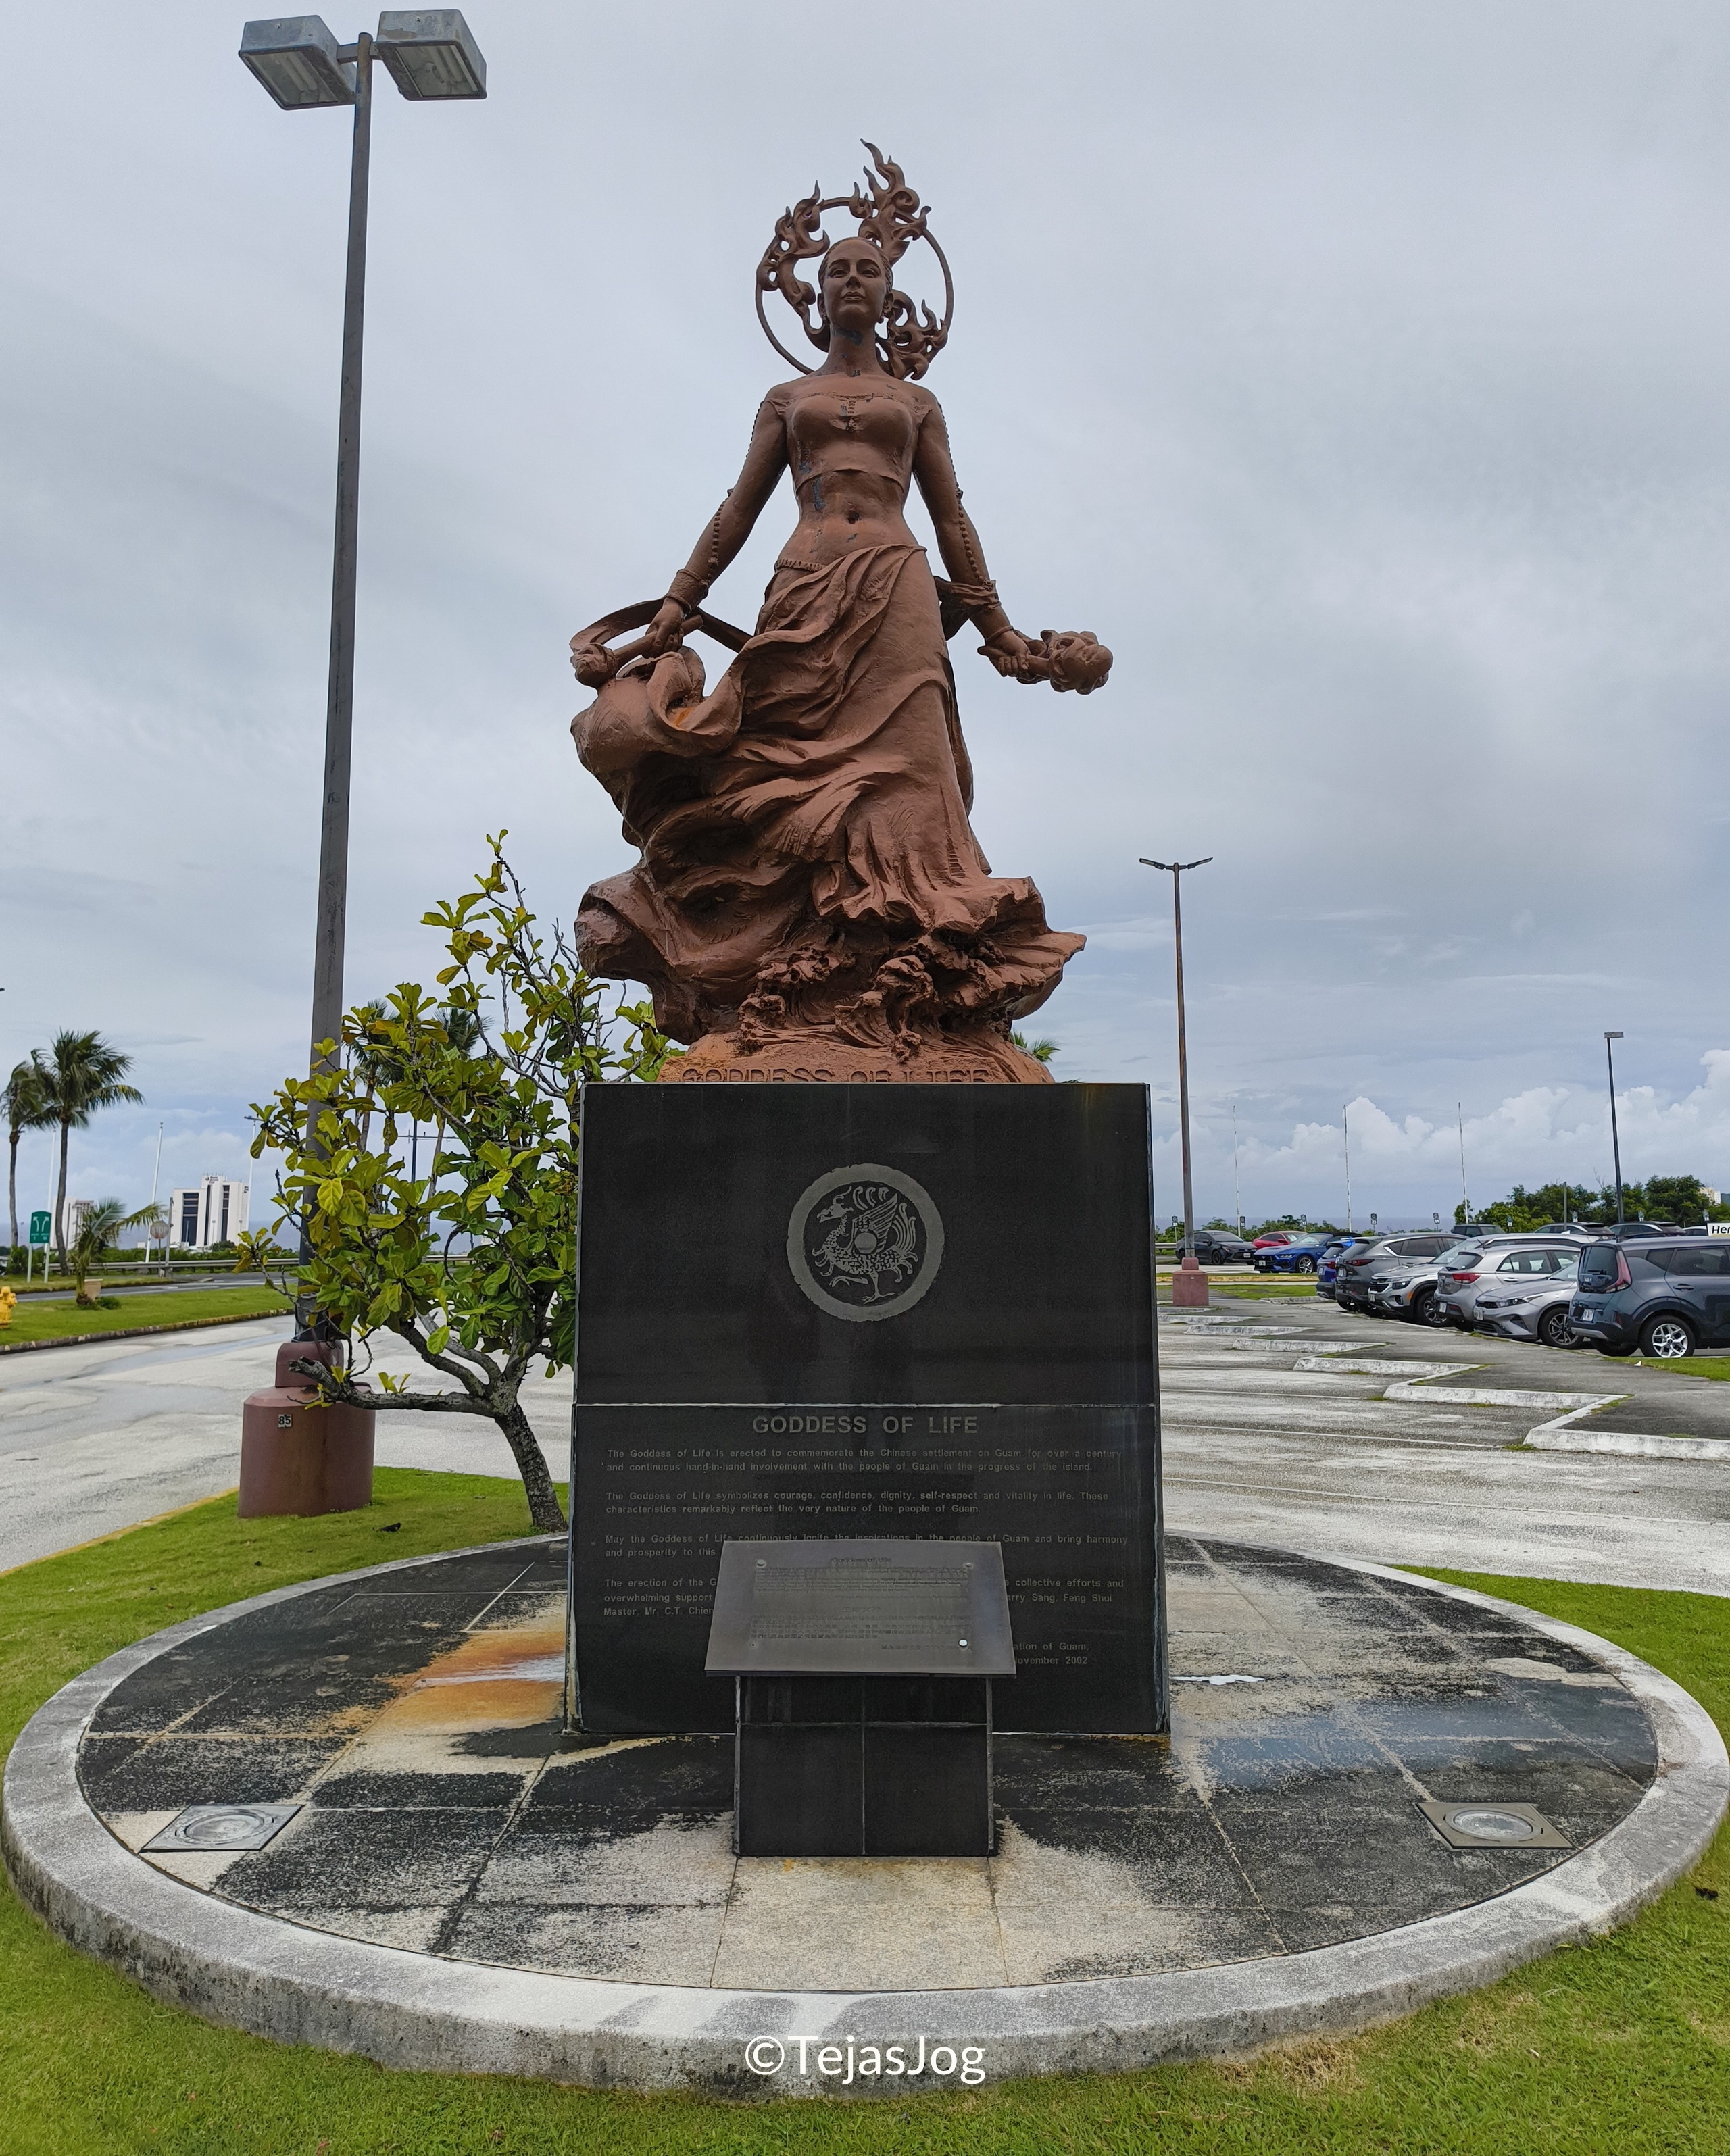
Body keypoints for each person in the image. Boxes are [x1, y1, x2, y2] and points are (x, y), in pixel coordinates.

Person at [572, 183, 1109, 1080]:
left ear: (890, 293)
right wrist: (675, 603)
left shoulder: (917, 403)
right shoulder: (786, 397)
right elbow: (737, 510)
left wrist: (1002, 630)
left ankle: (914, 976)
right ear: (816, 295)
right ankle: (782, 975)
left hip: (896, 590)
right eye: (837, 271)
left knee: (913, 768)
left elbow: (952, 519)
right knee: (778, 758)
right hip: (806, 588)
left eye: (867, 269)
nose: (853, 280)